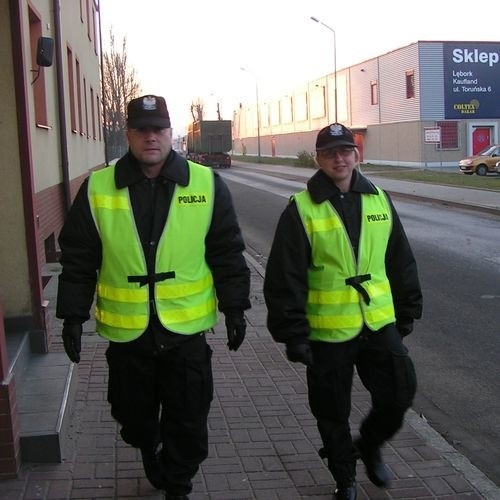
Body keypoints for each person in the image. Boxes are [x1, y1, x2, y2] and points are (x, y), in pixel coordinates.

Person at [56, 95, 251, 500]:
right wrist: (72, 316)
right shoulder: (97, 187)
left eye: (158, 129)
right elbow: (78, 258)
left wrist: (235, 307)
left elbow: (227, 251)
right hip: (129, 336)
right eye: (141, 129)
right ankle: (149, 444)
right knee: (133, 417)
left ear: (170, 132)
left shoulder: (206, 184)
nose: (150, 137)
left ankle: (178, 484)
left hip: (185, 331)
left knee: (189, 416)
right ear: (128, 133)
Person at [263, 123, 422, 500]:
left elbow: (400, 259)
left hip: (378, 322)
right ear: (318, 159)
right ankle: (345, 478)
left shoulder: (379, 199)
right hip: (327, 332)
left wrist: (407, 309)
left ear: (357, 154)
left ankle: (368, 443)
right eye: (330, 152)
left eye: (346, 150)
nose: (339, 158)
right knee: (332, 412)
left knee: (399, 395)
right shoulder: (302, 209)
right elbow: (284, 276)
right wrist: (293, 333)